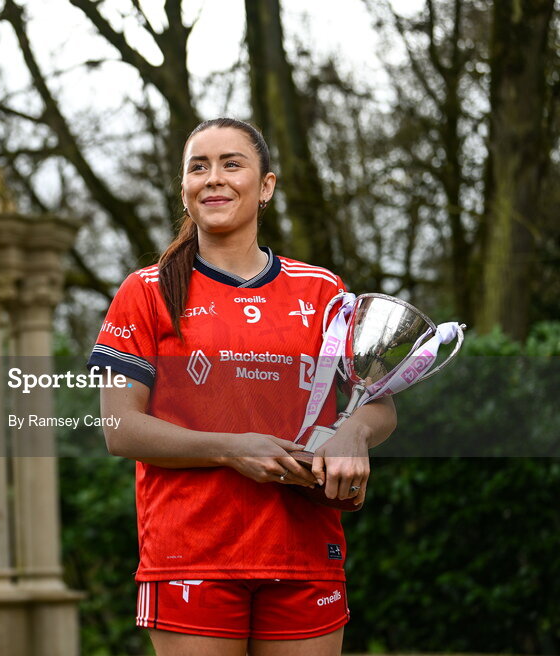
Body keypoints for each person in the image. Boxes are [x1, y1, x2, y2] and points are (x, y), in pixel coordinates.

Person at [87, 118, 397, 656]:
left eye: (232, 164)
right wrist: (231, 449)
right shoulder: (147, 292)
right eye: (198, 167)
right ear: (183, 190)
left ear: (267, 186)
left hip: (303, 549)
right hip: (191, 553)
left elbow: (379, 406)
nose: (214, 178)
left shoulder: (322, 290)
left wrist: (351, 436)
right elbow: (120, 429)